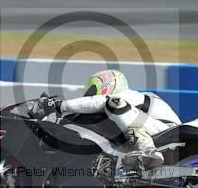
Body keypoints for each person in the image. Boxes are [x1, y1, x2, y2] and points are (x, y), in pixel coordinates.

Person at [32, 69, 181, 168]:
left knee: (114, 104)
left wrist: (58, 105)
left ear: (107, 84)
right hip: (158, 130)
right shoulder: (132, 104)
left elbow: (100, 102)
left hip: (167, 131)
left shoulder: (126, 95)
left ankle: (147, 149)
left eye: (93, 91)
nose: (91, 95)